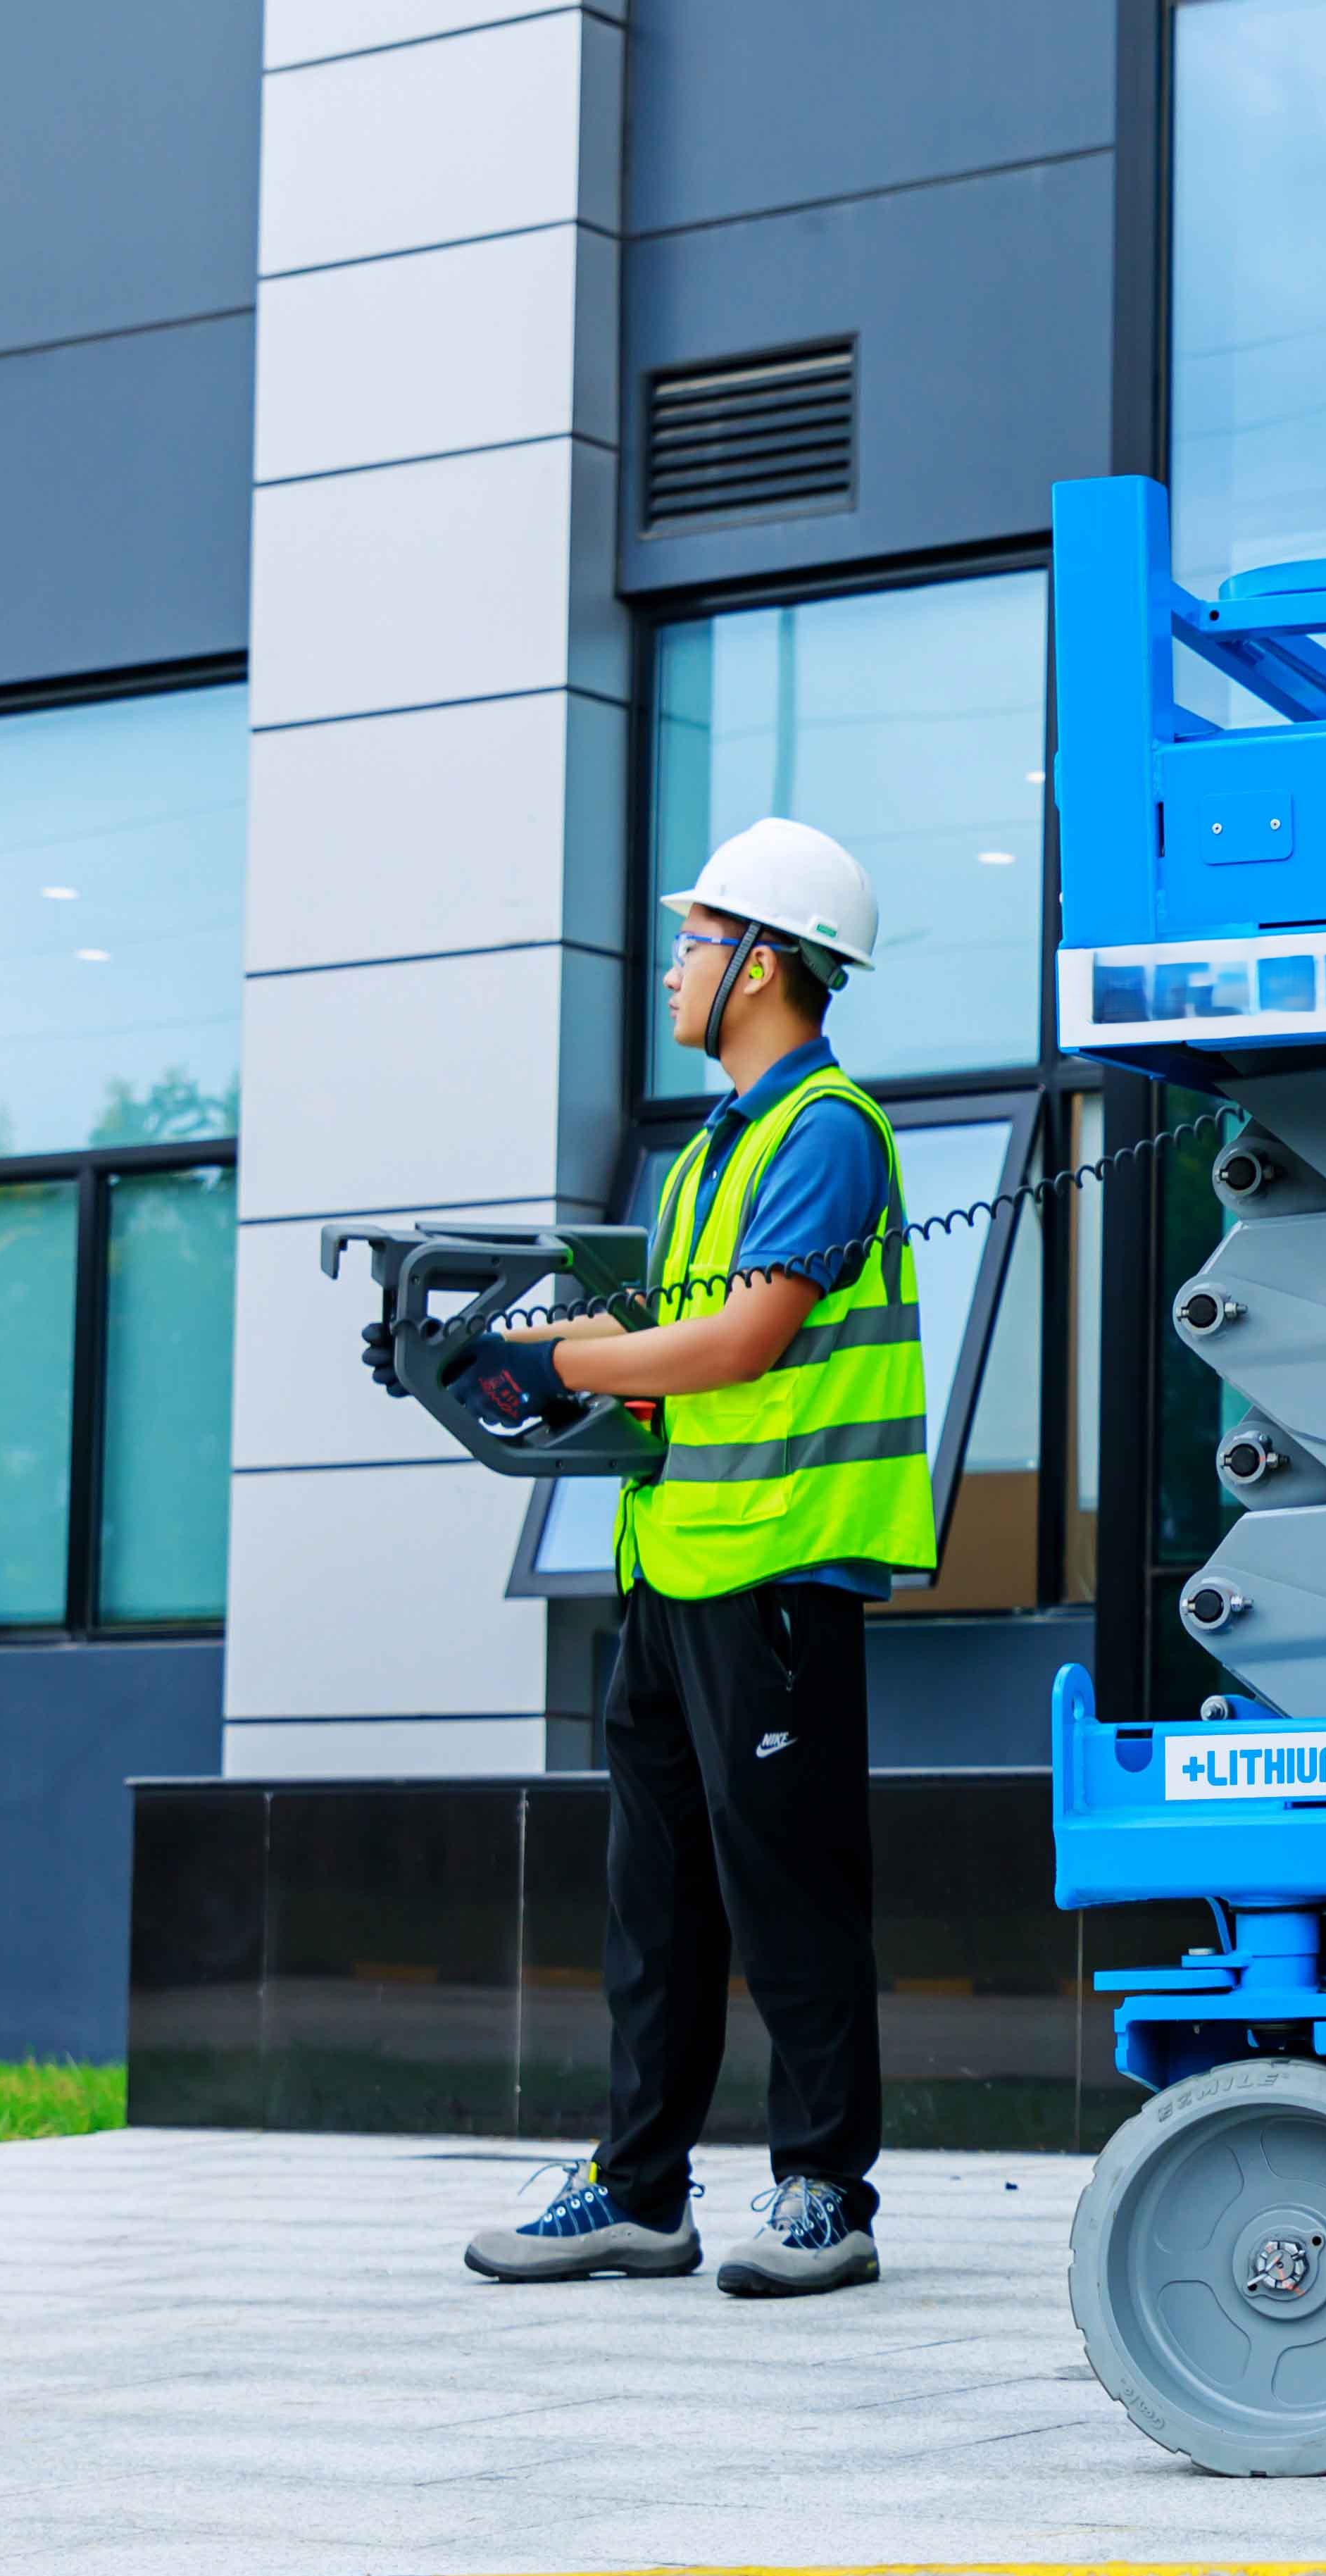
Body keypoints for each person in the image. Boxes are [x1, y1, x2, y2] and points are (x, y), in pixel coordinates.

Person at [389, 818, 936, 2298]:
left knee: (790, 1892)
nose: (674, 967)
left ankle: (827, 2191)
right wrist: (543, 1357)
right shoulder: (714, 1149)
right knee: (659, 1902)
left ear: (763, 964)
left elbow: (746, 1338)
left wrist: (564, 1348)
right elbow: (661, 1357)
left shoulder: (819, 1130)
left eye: (696, 941)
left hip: (776, 1575)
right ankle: (640, 2191)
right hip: (675, 1566)